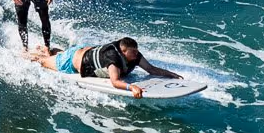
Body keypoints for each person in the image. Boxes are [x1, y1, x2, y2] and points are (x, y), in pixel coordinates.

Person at [31, 35, 182, 93]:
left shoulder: (134, 55)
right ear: (123, 51)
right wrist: (132, 87)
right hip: (70, 62)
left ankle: (50, 51)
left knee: (56, 55)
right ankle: (23, 54)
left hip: (83, 53)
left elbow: (150, 69)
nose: (137, 55)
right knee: (41, 62)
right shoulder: (113, 60)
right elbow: (115, 82)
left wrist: (171, 75)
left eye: (137, 51)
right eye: (133, 52)